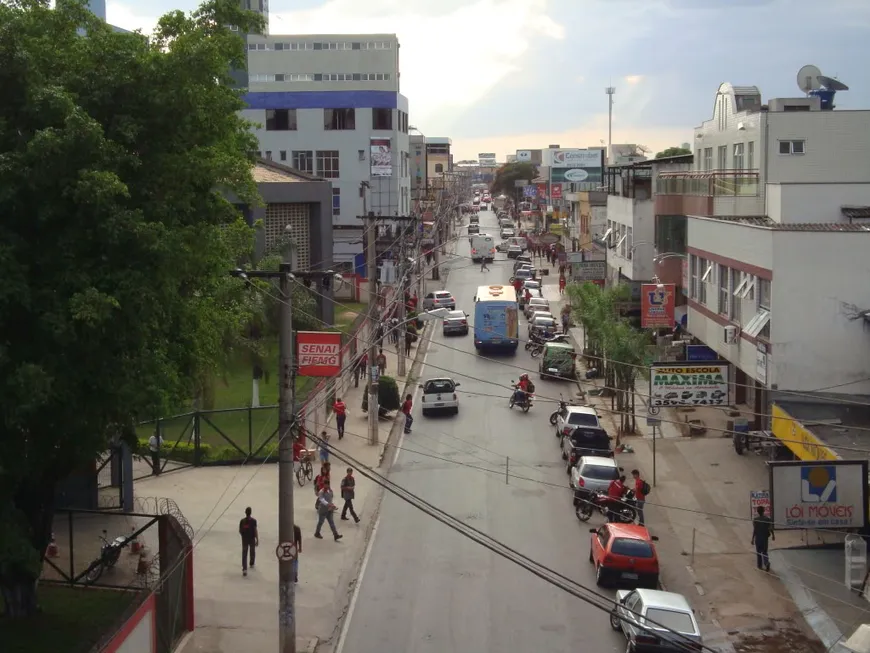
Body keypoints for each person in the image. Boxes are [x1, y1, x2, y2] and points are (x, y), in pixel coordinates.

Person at [751, 505, 775, 571]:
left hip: (758, 538)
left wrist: (752, 539)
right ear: (764, 511)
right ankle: (766, 563)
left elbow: (755, 530)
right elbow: (770, 528)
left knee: (758, 552)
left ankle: (759, 566)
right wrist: (773, 535)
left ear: (758, 512)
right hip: (765, 538)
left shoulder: (755, 520)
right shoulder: (767, 519)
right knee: (765, 552)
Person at [239, 507, 258, 576]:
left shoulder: (242, 521)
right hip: (252, 539)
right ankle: (252, 563)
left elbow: (240, 531)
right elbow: (255, 530)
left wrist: (243, 536)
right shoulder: (254, 521)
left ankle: (244, 569)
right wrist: (257, 539)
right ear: (251, 512)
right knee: (252, 551)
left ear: (245, 512)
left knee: (244, 553)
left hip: (245, 539)